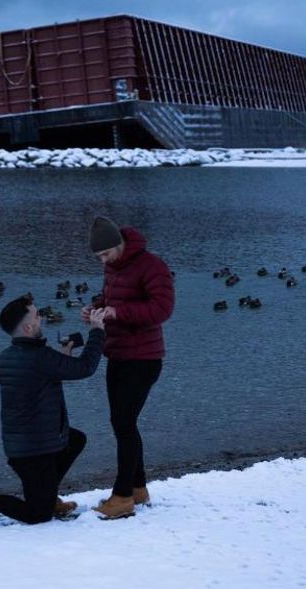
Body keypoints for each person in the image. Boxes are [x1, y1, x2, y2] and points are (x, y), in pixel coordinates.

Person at [0, 296, 108, 527]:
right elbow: (86, 367)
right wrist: (97, 331)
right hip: (35, 451)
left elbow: (38, 381)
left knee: (75, 439)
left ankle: (48, 496)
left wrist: (62, 360)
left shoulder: (6, 357)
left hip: (22, 444)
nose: (42, 319)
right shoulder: (40, 357)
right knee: (38, 515)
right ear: (28, 327)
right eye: (37, 316)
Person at [82, 216, 175, 520]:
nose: (103, 262)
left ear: (119, 244)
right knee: (122, 423)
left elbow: (163, 309)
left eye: (105, 255)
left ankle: (122, 497)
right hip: (118, 354)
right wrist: (97, 309)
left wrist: (118, 312)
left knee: (124, 423)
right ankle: (137, 488)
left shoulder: (152, 265)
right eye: (98, 258)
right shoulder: (113, 267)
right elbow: (111, 298)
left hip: (144, 358)